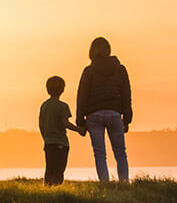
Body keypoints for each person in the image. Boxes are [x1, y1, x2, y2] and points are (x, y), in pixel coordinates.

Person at [76, 37, 132, 183]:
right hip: (114, 114)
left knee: (100, 154)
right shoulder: (120, 69)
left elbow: (82, 97)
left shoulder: (89, 71)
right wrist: (127, 119)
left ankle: (104, 184)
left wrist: (80, 121)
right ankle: (124, 182)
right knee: (120, 153)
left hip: (94, 115)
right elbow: (126, 95)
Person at [39, 75, 83, 185]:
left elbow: (41, 124)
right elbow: (65, 123)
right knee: (59, 169)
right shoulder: (63, 106)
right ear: (62, 89)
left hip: (49, 142)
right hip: (61, 142)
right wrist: (78, 129)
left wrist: (46, 137)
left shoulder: (44, 105)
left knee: (49, 167)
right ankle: (57, 188)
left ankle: (47, 188)